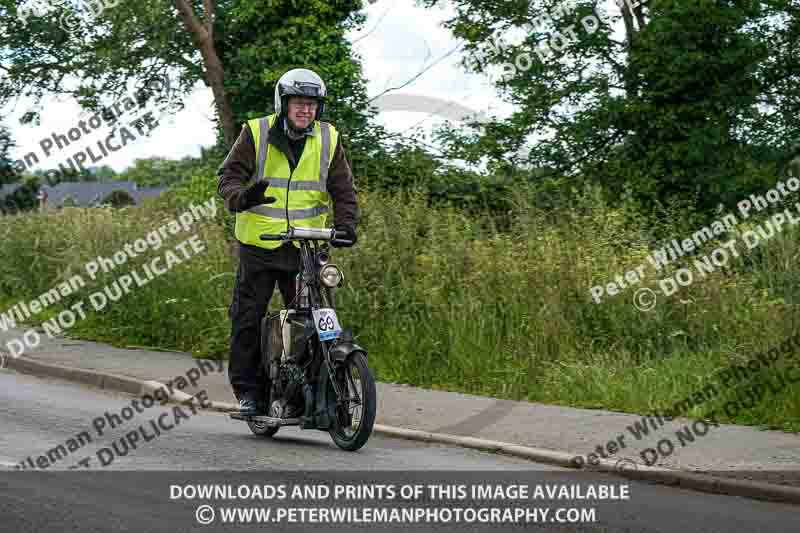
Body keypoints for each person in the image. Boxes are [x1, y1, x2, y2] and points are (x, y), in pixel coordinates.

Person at [217, 68, 359, 416]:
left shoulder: (328, 139)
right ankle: (249, 392)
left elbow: (343, 189)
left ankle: (300, 394)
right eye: (298, 103)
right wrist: (245, 197)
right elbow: (227, 180)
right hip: (260, 246)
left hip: (305, 248)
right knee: (248, 317)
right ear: (284, 104)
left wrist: (346, 225)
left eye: (311, 105)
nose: (305, 110)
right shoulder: (257, 132)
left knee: (311, 319)